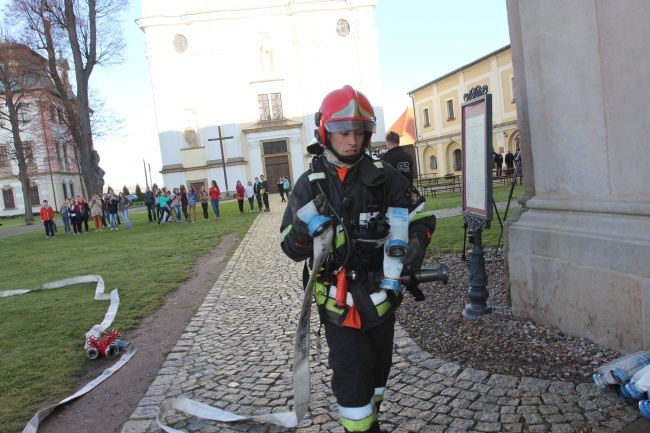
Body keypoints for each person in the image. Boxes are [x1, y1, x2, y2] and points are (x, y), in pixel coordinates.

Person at [279, 85, 435, 433]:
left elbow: (421, 217)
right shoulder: (311, 184)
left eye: (360, 132)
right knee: (351, 370)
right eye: (344, 132)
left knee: (378, 371)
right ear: (325, 132)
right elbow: (290, 247)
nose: (352, 140)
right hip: (338, 298)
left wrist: (415, 244)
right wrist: (307, 232)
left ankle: (370, 413)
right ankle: (362, 426)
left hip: (382, 292)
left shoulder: (384, 176)